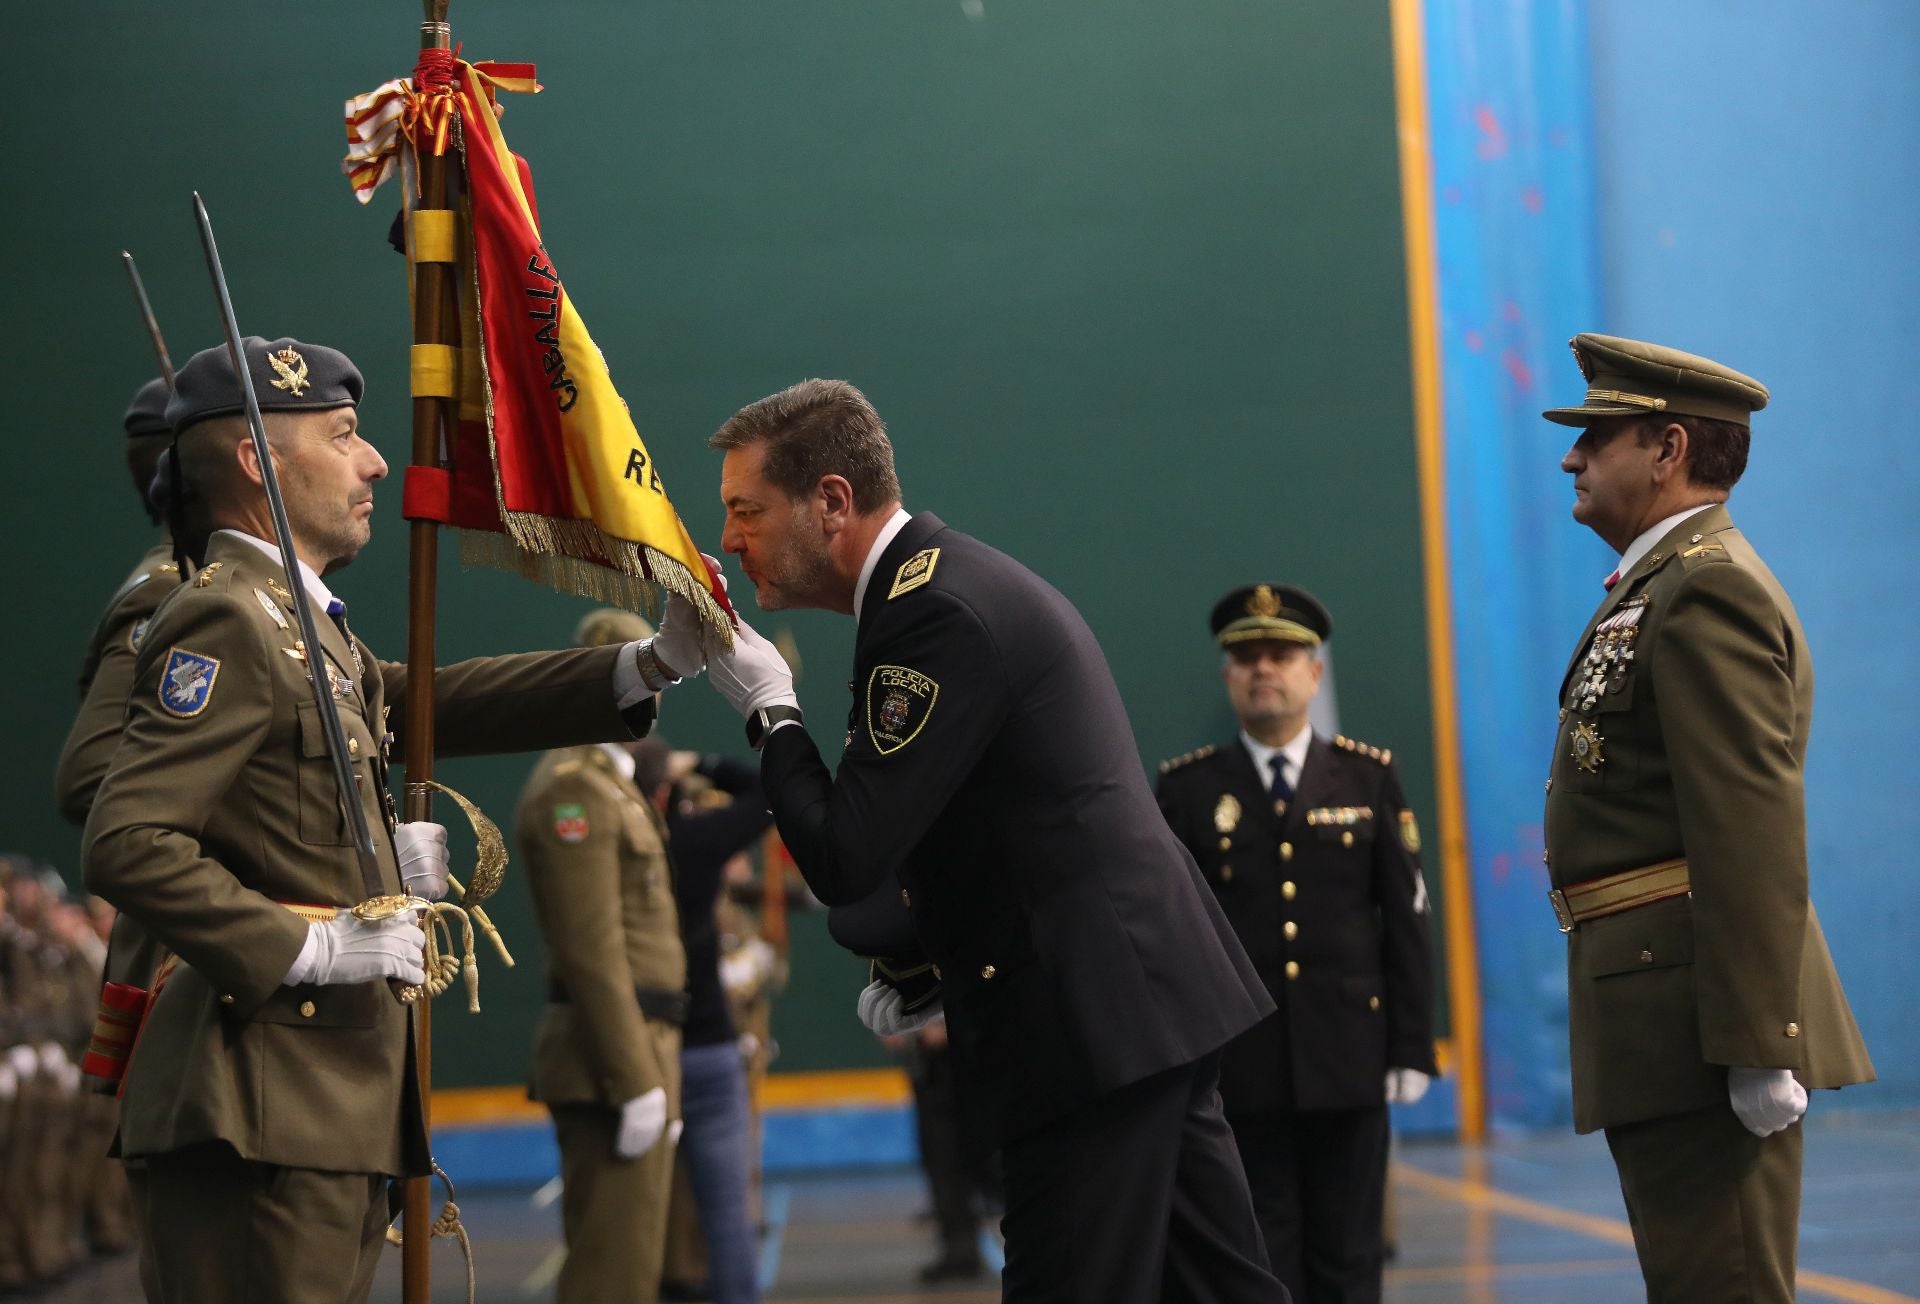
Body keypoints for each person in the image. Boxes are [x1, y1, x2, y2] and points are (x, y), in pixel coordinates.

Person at [81, 337, 704, 1304]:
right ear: (257, 459)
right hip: (257, 1096)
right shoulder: (229, 619)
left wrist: (645, 665)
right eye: (342, 435)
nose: (374, 459)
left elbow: (422, 705)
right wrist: (314, 945)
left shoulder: (302, 621)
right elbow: (125, 837)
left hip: (314, 1100)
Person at [674, 379, 1283, 1303]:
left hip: (1091, 1033)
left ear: (832, 502)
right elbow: (984, 819)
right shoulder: (935, 589)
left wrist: (770, 709)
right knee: (1223, 1291)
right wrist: (926, 956)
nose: (728, 539)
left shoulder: (931, 613)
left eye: (746, 510)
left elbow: (847, 854)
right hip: (1134, 1008)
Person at [1541, 333, 1874, 1301]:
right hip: (1661, 1018)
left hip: (1698, 1027)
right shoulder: (1661, 585)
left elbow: (1751, 832)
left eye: (1598, 435)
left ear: (1669, 448)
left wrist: (1759, 1043)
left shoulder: (1705, 589)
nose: (1574, 455)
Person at [1155, 584, 1436, 1304]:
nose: (1263, 670)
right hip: (1239, 1066)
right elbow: (1171, 934)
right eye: (1246, 657)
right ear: (1227, 677)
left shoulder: (1368, 776)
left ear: (1314, 672)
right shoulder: (1187, 790)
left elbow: (1405, 917)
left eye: (1281, 655)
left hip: (1349, 1058)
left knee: (1350, 1255)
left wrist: (1410, 1047)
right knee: (1260, 1254)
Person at [518, 609, 690, 1304]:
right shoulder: (574, 788)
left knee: (634, 1264)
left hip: (642, 1045)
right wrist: (634, 1079)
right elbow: (591, 952)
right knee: (609, 1274)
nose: (652, 691)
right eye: (639, 672)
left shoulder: (612, 782)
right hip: (607, 1058)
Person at [657, 744, 775, 1304]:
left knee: (640, 1213)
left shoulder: (629, 845)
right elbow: (768, 791)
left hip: (643, 1046)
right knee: (728, 1212)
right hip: (708, 1042)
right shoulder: (696, 844)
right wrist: (702, 760)